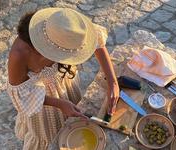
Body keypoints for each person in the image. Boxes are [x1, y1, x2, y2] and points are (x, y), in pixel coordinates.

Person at [7, 7, 119, 150]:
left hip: (66, 84)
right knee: (53, 138)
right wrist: (59, 104)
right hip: (42, 103)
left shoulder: (67, 25)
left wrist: (112, 81)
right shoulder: (20, 54)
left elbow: (96, 41)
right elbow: (22, 96)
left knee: (75, 121)